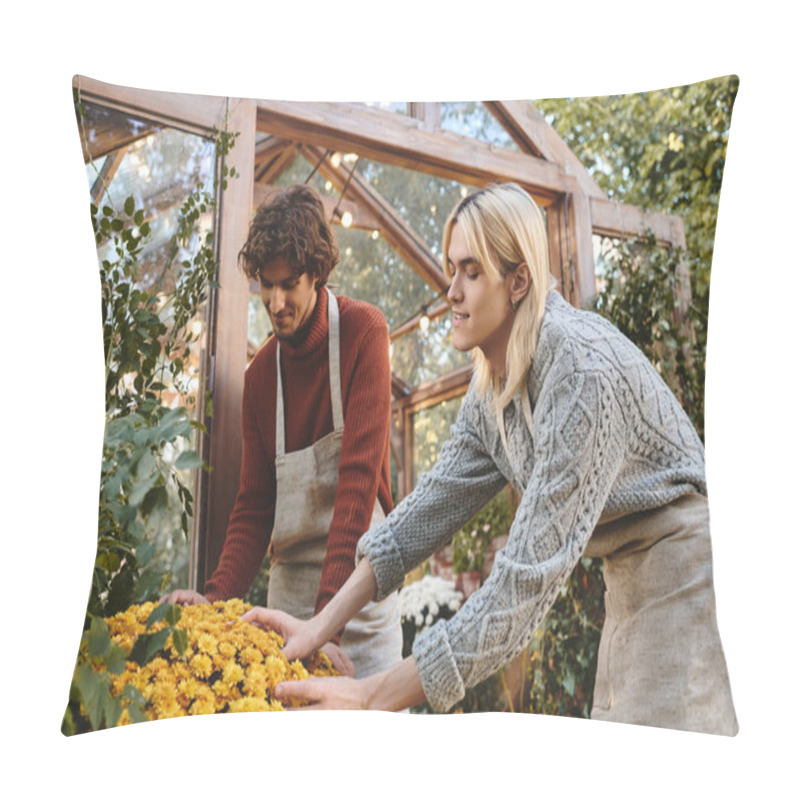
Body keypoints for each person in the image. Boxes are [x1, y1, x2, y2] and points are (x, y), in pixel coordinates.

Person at [243, 182, 738, 735]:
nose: (450, 290)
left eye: (471, 272)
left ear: (519, 280)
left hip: (690, 565)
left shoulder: (578, 374)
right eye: (452, 268)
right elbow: (420, 519)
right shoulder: (493, 391)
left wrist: (367, 696)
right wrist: (319, 625)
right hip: (626, 571)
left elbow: (519, 587)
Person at [164, 184, 403, 680]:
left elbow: (356, 492)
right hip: (290, 591)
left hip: (360, 593)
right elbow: (253, 509)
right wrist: (212, 601)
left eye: (288, 283)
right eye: (265, 286)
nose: (275, 303)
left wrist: (326, 629)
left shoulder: (364, 334)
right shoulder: (259, 378)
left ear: (317, 272)